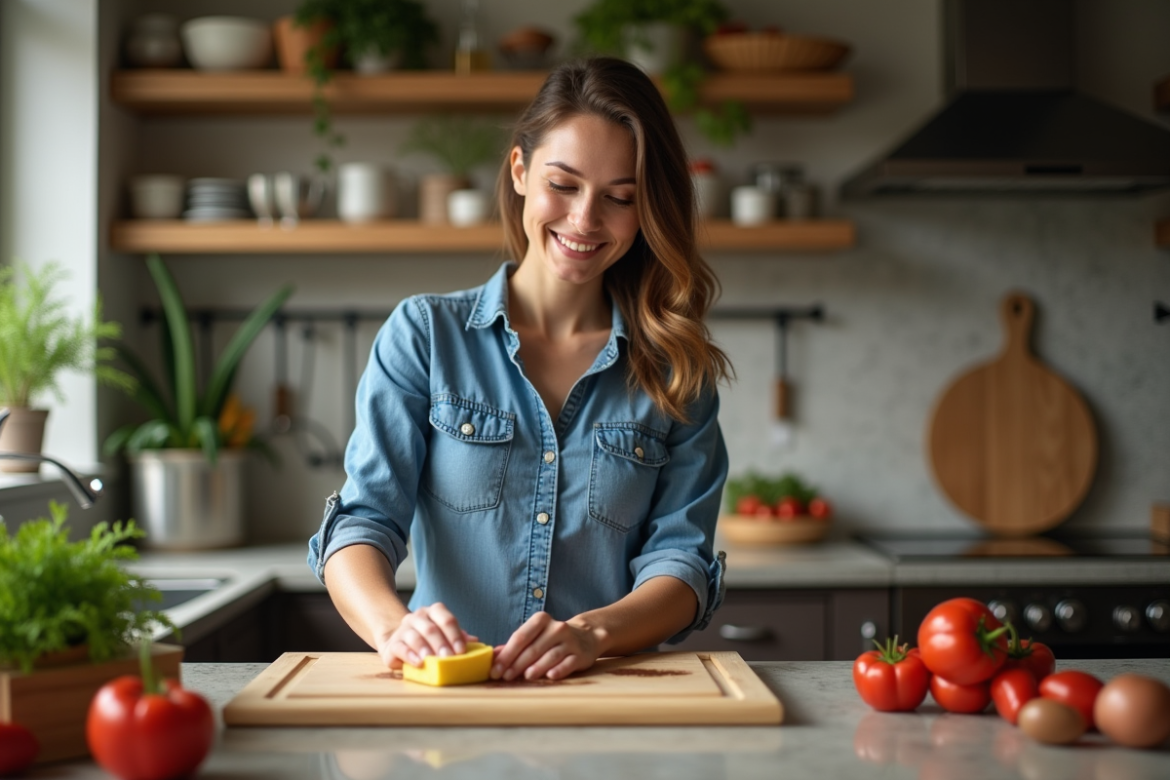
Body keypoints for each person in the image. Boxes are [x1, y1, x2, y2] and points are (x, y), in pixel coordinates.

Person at [307, 57, 732, 683]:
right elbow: (365, 519)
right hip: (451, 702)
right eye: (564, 185)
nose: (585, 220)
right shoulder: (425, 335)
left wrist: (591, 633)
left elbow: (682, 562)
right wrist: (392, 626)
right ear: (520, 171)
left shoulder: (675, 369)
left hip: (608, 706)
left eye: (619, 197)